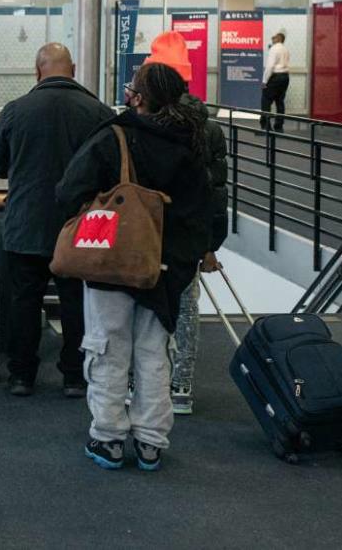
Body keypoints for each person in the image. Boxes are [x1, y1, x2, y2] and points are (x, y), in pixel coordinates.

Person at [56, 61, 211, 472]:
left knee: (106, 347)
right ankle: (150, 443)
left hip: (112, 262)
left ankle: (107, 438)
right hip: (165, 269)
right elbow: (206, 212)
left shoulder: (114, 138)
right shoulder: (191, 142)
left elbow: (69, 190)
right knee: (154, 352)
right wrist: (180, 257)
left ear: (137, 98)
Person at [0, 43, 113, 399]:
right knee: (76, 302)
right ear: (72, 68)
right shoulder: (99, 112)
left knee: (24, 300)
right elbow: (111, 172)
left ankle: (22, 376)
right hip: (79, 226)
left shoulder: (16, 110)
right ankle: (74, 376)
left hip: (26, 223)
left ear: (37, 71)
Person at [137, 32, 229, 416]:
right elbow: (217, 191)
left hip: (147, 231)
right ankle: (181, 387)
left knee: (141, 307)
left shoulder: (143, 124)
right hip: (189, 235)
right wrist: (211, 243)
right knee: (187, 309)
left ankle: (138, 383)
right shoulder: (208, 127)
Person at [260, 31, 290, 131]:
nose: (272, 39)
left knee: (266, 101)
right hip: (285, 77)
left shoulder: (274, 48)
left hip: (275, 77)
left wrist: (264, 81)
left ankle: (266, 126)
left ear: (279, 39)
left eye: (274, 37)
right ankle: (279, 126)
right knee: (280, 102)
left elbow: (270, 66)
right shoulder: (285, 49)